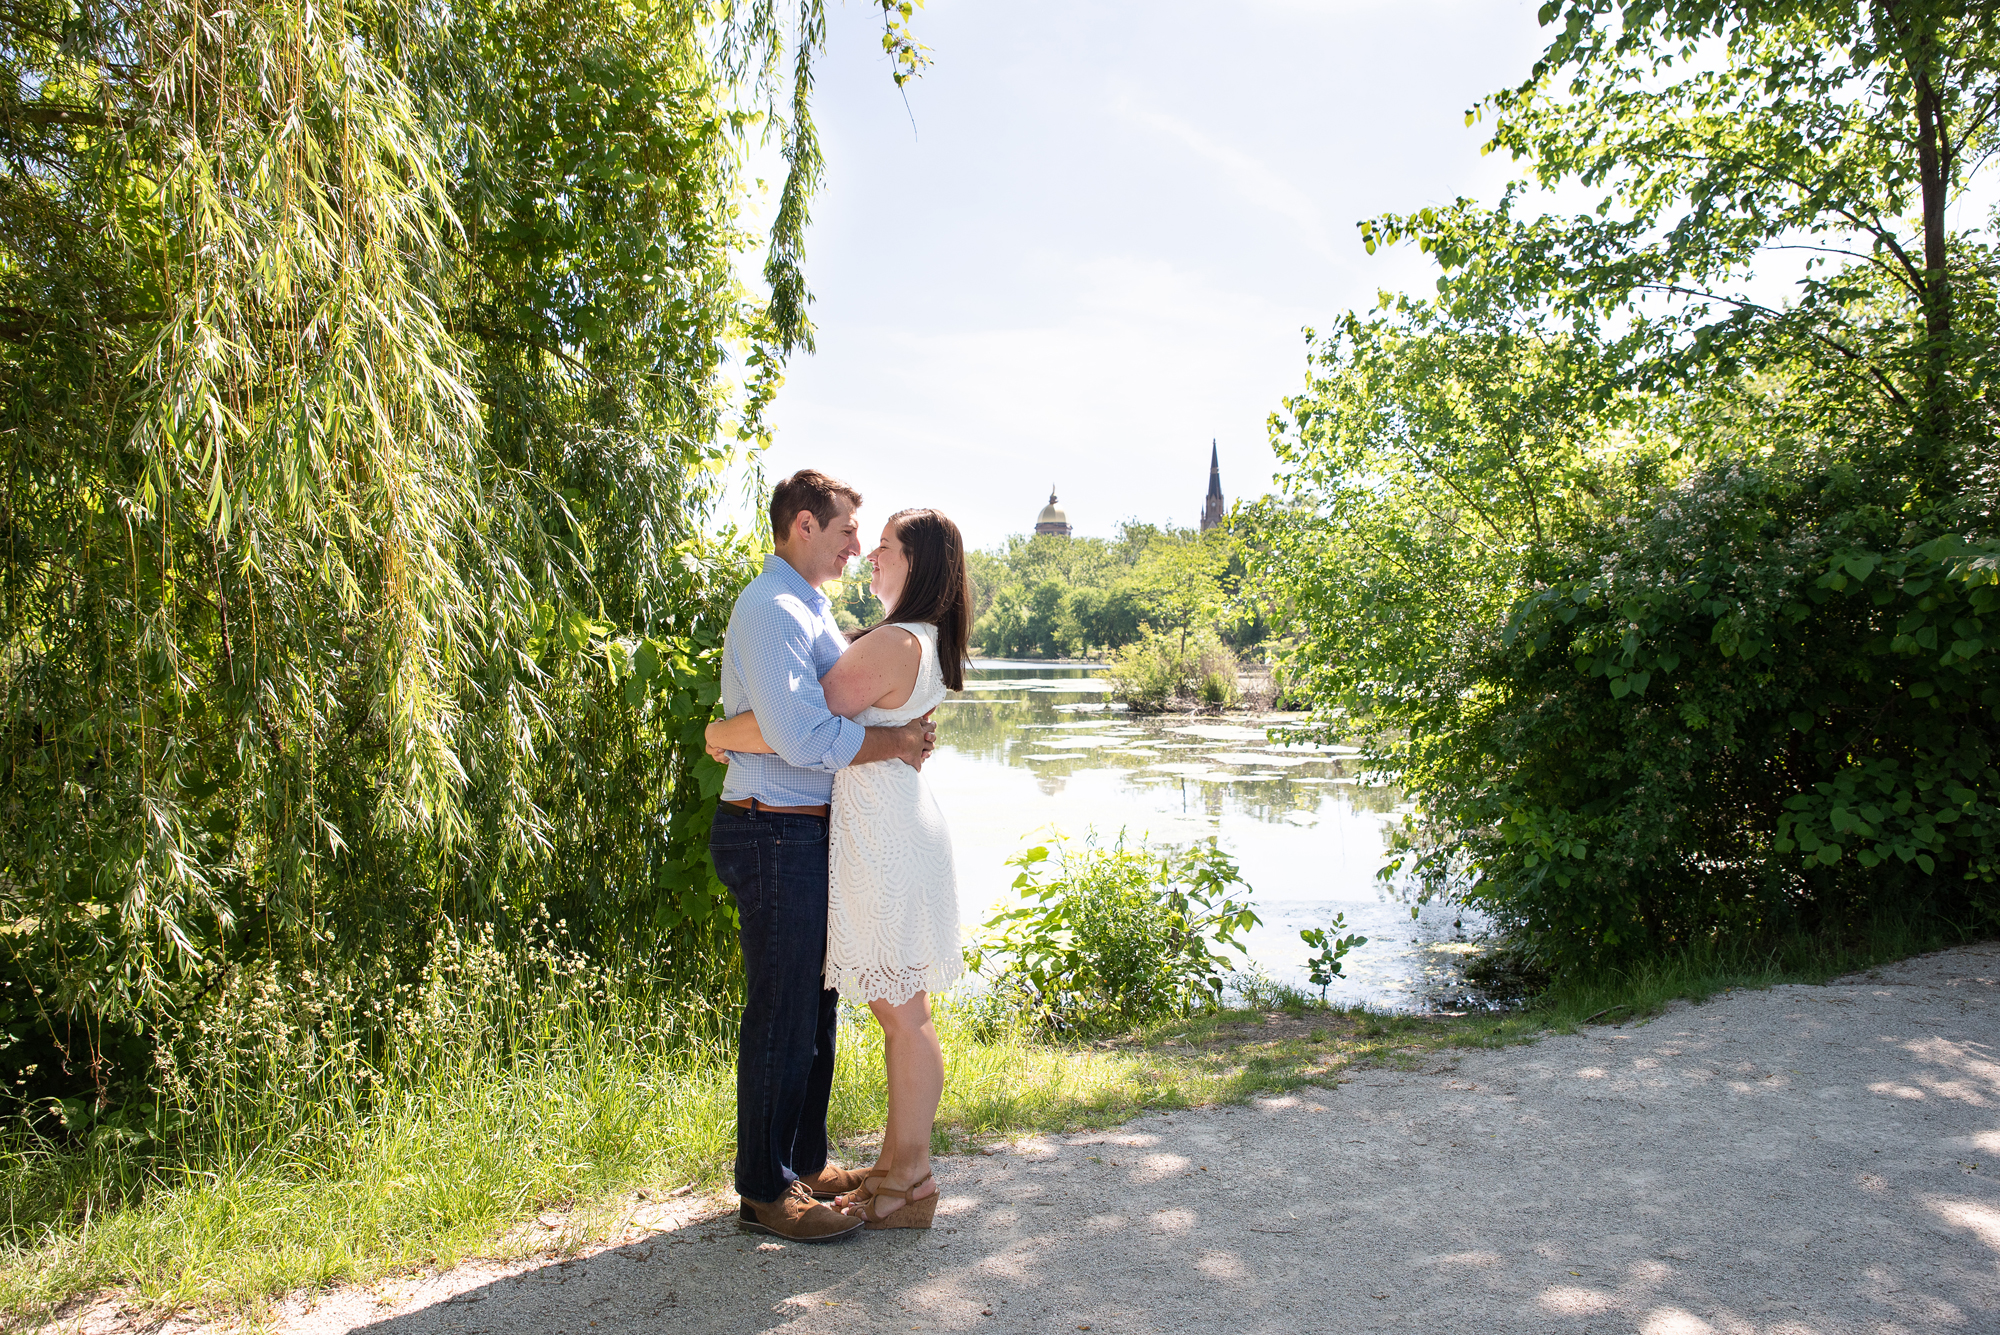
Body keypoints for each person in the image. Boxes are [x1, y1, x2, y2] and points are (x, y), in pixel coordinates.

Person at [707, 505, 972, 1232]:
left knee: (904, 1018)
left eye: (884, 546)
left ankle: (909, 1176)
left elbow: (802, 722)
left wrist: (721, 730)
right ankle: (895, 1169)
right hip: (890, 824)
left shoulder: (892, 642)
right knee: (904, 1015)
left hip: (884, 832)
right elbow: (831, 712)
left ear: (917, 564)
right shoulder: (911, 638)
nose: (871, 554)